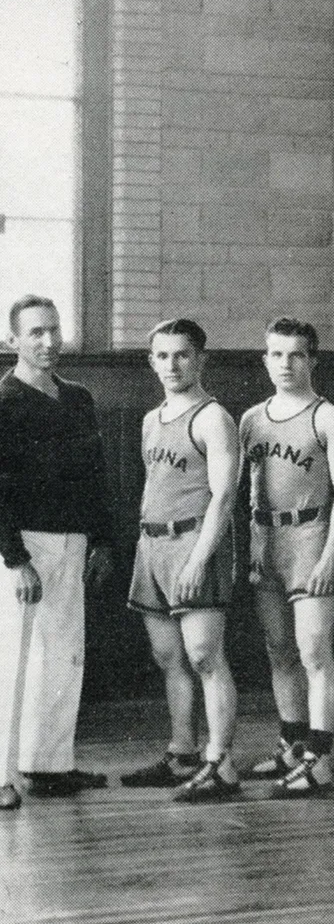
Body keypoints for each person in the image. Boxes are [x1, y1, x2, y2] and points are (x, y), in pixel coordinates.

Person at [0, 296, 114, 810]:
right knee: (13, 661)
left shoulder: (78, 398)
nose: (48, 342)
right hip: (24, 543)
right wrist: (14, 558)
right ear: (12, 341)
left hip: (74, 542)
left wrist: (102, 540)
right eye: (35, 332)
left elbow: (94, 476)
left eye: (54, 330)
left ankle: (47, 765)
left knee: (64, 657)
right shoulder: (4, 401)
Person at [121, 320, 242, 802]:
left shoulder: (213, 418)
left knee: (205, 657)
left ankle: (222, 763)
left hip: (195, 544)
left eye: (182, 355)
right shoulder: (153, 419)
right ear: (152, 361)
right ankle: (183, 752)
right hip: (153, 546)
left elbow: (224, 497)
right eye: (163, 356)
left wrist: (198, 560)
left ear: (201, 359)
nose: (172, 365)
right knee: (169, 657)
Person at [240, 318, 334, 797]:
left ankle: (319, 756)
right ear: (266, 359)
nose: (286, 364)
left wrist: (332, 553)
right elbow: (250, 488)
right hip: (267, 537)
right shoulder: (252, 418)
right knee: (279, 650)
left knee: (313, 650)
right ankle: (290, 743)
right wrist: (252, 542)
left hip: (311, 534)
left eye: (296, 355)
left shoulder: (329, 416)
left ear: (313, 359)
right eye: (277, 355)